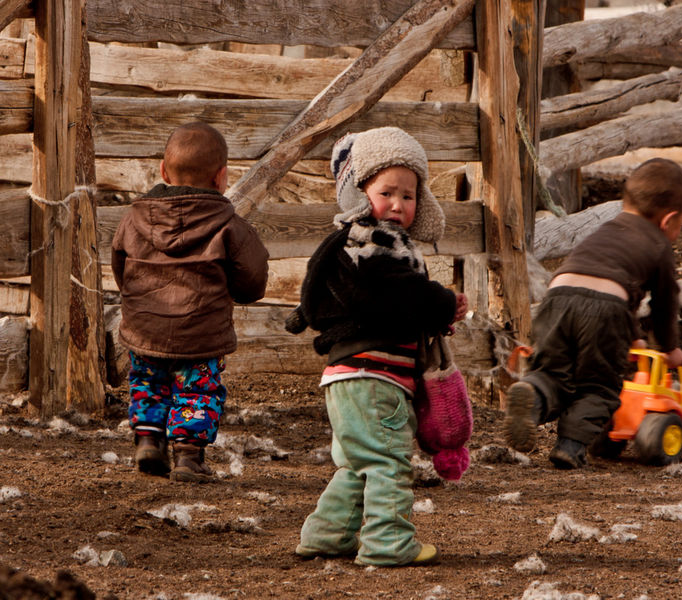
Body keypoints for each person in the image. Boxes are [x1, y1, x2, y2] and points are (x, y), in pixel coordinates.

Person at [285, 126, 468, 567]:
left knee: (357, 463)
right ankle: (389, 542)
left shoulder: (349, 243)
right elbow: (396, 294)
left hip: (347, 376)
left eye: (409, 196)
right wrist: (443, 302)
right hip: (375, 378)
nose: (398, 205)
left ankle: (328, 535)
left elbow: (355, 298)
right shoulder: (374, 241)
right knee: (387, 462)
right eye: (387, 192)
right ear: (359, 190)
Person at [503, 158, 682, 469]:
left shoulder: (606, 230)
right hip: (606, 309)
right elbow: (664, 302)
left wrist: (632, 336)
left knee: (553, 372)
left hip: (557, 297)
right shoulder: (659, 244)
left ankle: (533, 395)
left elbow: (606, 279)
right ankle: (570, 446)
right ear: (668, 220)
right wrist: (669, 347)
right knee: (599, 386)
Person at [111, 121, 269, 483]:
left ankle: (149, 440)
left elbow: (121, 268)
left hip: (145, 328)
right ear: (221, 177)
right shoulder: (228, 225)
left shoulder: (134, 219)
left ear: (164, 171)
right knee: (197, 391)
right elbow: (253, 277)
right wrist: (239, 294)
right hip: (201, 335)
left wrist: (137, 303)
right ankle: (188, 456)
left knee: (148, 382)